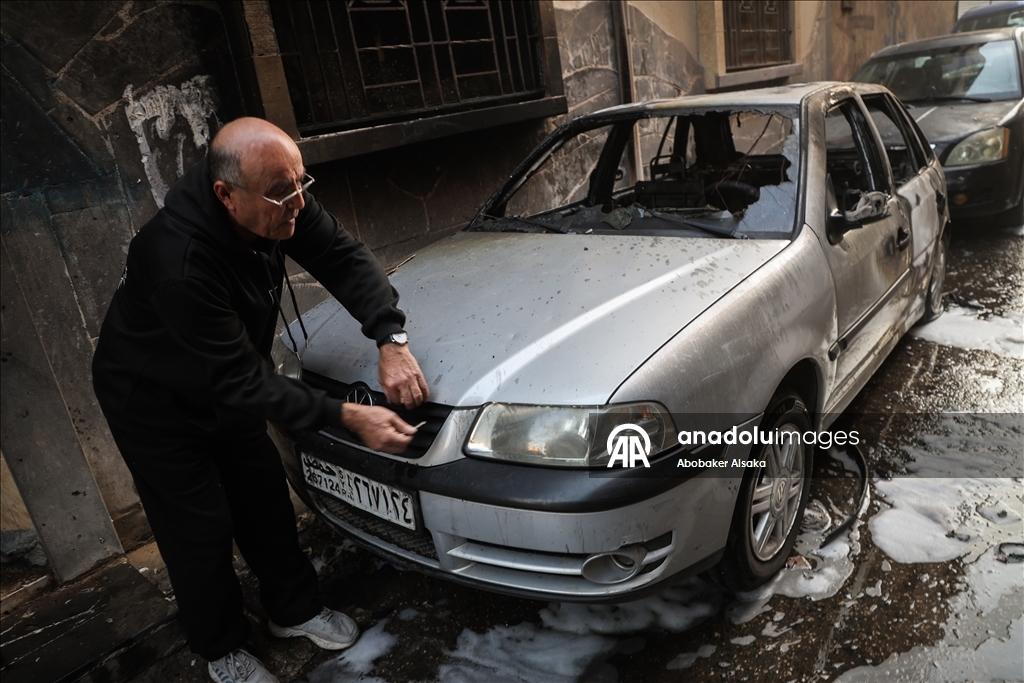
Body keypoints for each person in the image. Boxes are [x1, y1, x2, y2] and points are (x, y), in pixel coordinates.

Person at [92, 117, 429, 683]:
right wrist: (346, 415)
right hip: (153, 402)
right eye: (281, 192)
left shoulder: (278, 197)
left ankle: (293, 611)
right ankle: (221, 645)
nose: (297, 203)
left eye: (302, 183)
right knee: (198, 527)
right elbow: (244, 380)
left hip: (228, 378)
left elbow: (344, 256)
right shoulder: (177, 260)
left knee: (263, 496)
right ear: (226, 194)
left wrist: (390, 339)